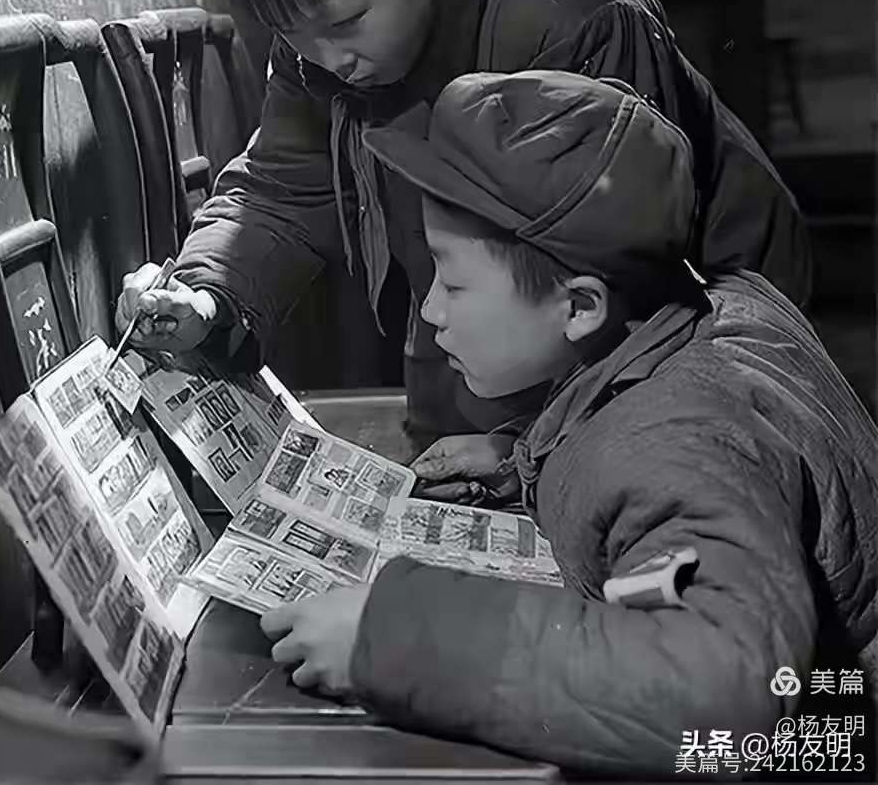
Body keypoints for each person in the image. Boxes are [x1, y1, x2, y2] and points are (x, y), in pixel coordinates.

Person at [116, 0, 810, 446]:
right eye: (292, 34)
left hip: (702, 312)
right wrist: (207, 294)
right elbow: (281, 185)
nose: (326, 58)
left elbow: (628, 293)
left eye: (345, 23)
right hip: (515, 316)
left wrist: (527, 451)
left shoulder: (574, 23)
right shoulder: (320, 39)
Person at [257, 70, 878, 778]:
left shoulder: (670, 441)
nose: (430, 311)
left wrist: (391, 637)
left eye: (453, 282)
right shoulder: (716, 309)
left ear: (580, 306)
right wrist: (530, 455)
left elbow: (729, 700)